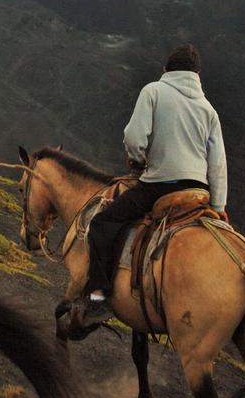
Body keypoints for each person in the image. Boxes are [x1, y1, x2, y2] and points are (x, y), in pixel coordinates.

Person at [83, 43, 227, 326]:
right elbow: (218, 164)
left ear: (166, 70)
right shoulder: (209, 110)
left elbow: (134, 138)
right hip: (198, 193)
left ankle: (98, 297)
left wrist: (138, 160)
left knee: (103, 223)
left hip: (161, 185)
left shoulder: (153, 91)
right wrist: (219, 205)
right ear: (197, 75)